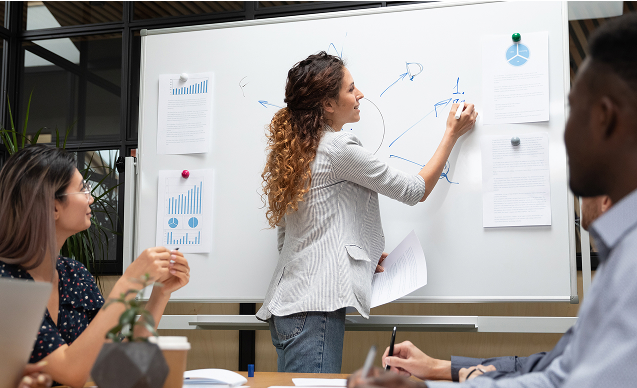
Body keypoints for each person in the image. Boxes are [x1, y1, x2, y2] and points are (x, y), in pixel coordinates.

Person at [348, 12, 637, 388]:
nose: (562, 135)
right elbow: (557, 371)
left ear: (604, 120)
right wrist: (446, 371)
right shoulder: (621, 257)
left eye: (571, 112)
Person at [256, 51, 478, 373]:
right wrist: (451, 134)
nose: (360, 95)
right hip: (314, 310)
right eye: (351, 88)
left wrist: (354, 259)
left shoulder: (303, 149)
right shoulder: (337, 148)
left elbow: (290, 237)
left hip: (292, 308)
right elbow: (414, 190)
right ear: (328, 104)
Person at [0, 144, 190, 388]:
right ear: (53, 206)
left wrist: (160, 294)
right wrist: (130, 282)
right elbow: (70, 373)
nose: (91, 197)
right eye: (83, 189)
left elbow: (119, 362)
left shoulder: (75, 274)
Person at [380, 196, 612, 383]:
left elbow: (559, 380)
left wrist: (477, 380)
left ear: (606, 201)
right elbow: (545, 365)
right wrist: (437, 367)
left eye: (586, 188)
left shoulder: (623, 283)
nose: (578, 199)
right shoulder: (614, 273)